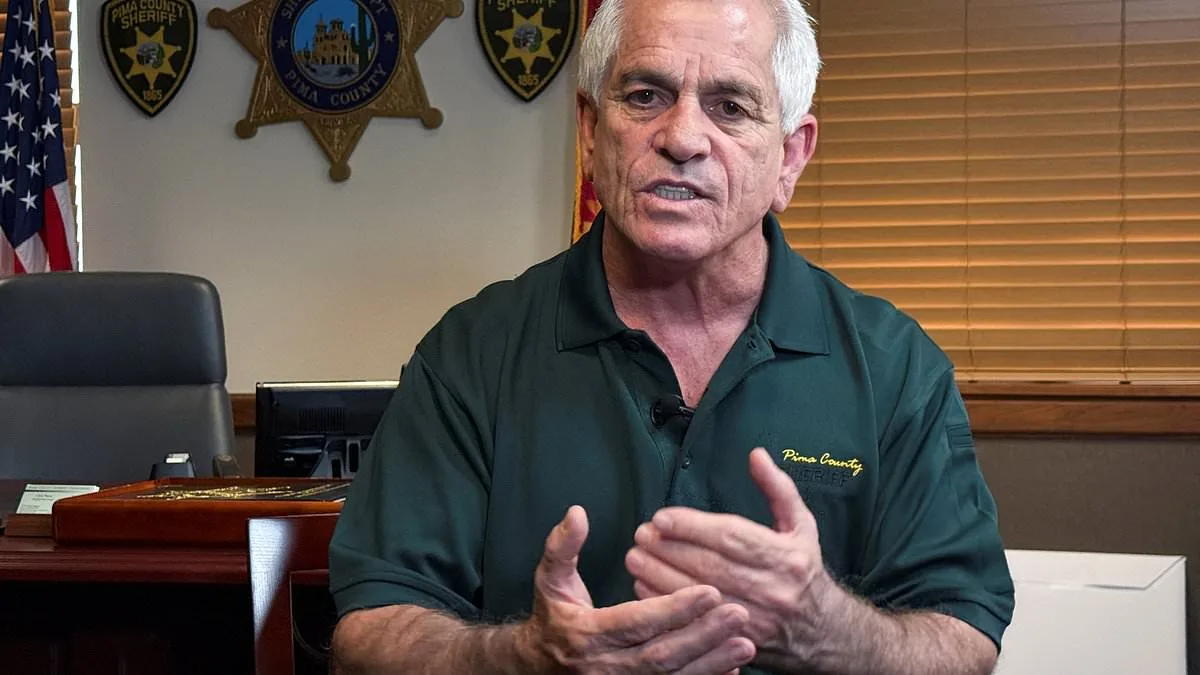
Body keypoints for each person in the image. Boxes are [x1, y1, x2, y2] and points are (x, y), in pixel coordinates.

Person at [328, 0, 1015, 672]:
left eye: (730, 107)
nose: (682, 138)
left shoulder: (896, 367)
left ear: (790, 158)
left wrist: (828, 629)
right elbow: (370, 628)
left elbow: (964, 635)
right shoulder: (471, 354)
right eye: (646, 96)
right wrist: (525, 656)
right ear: (590, 131)